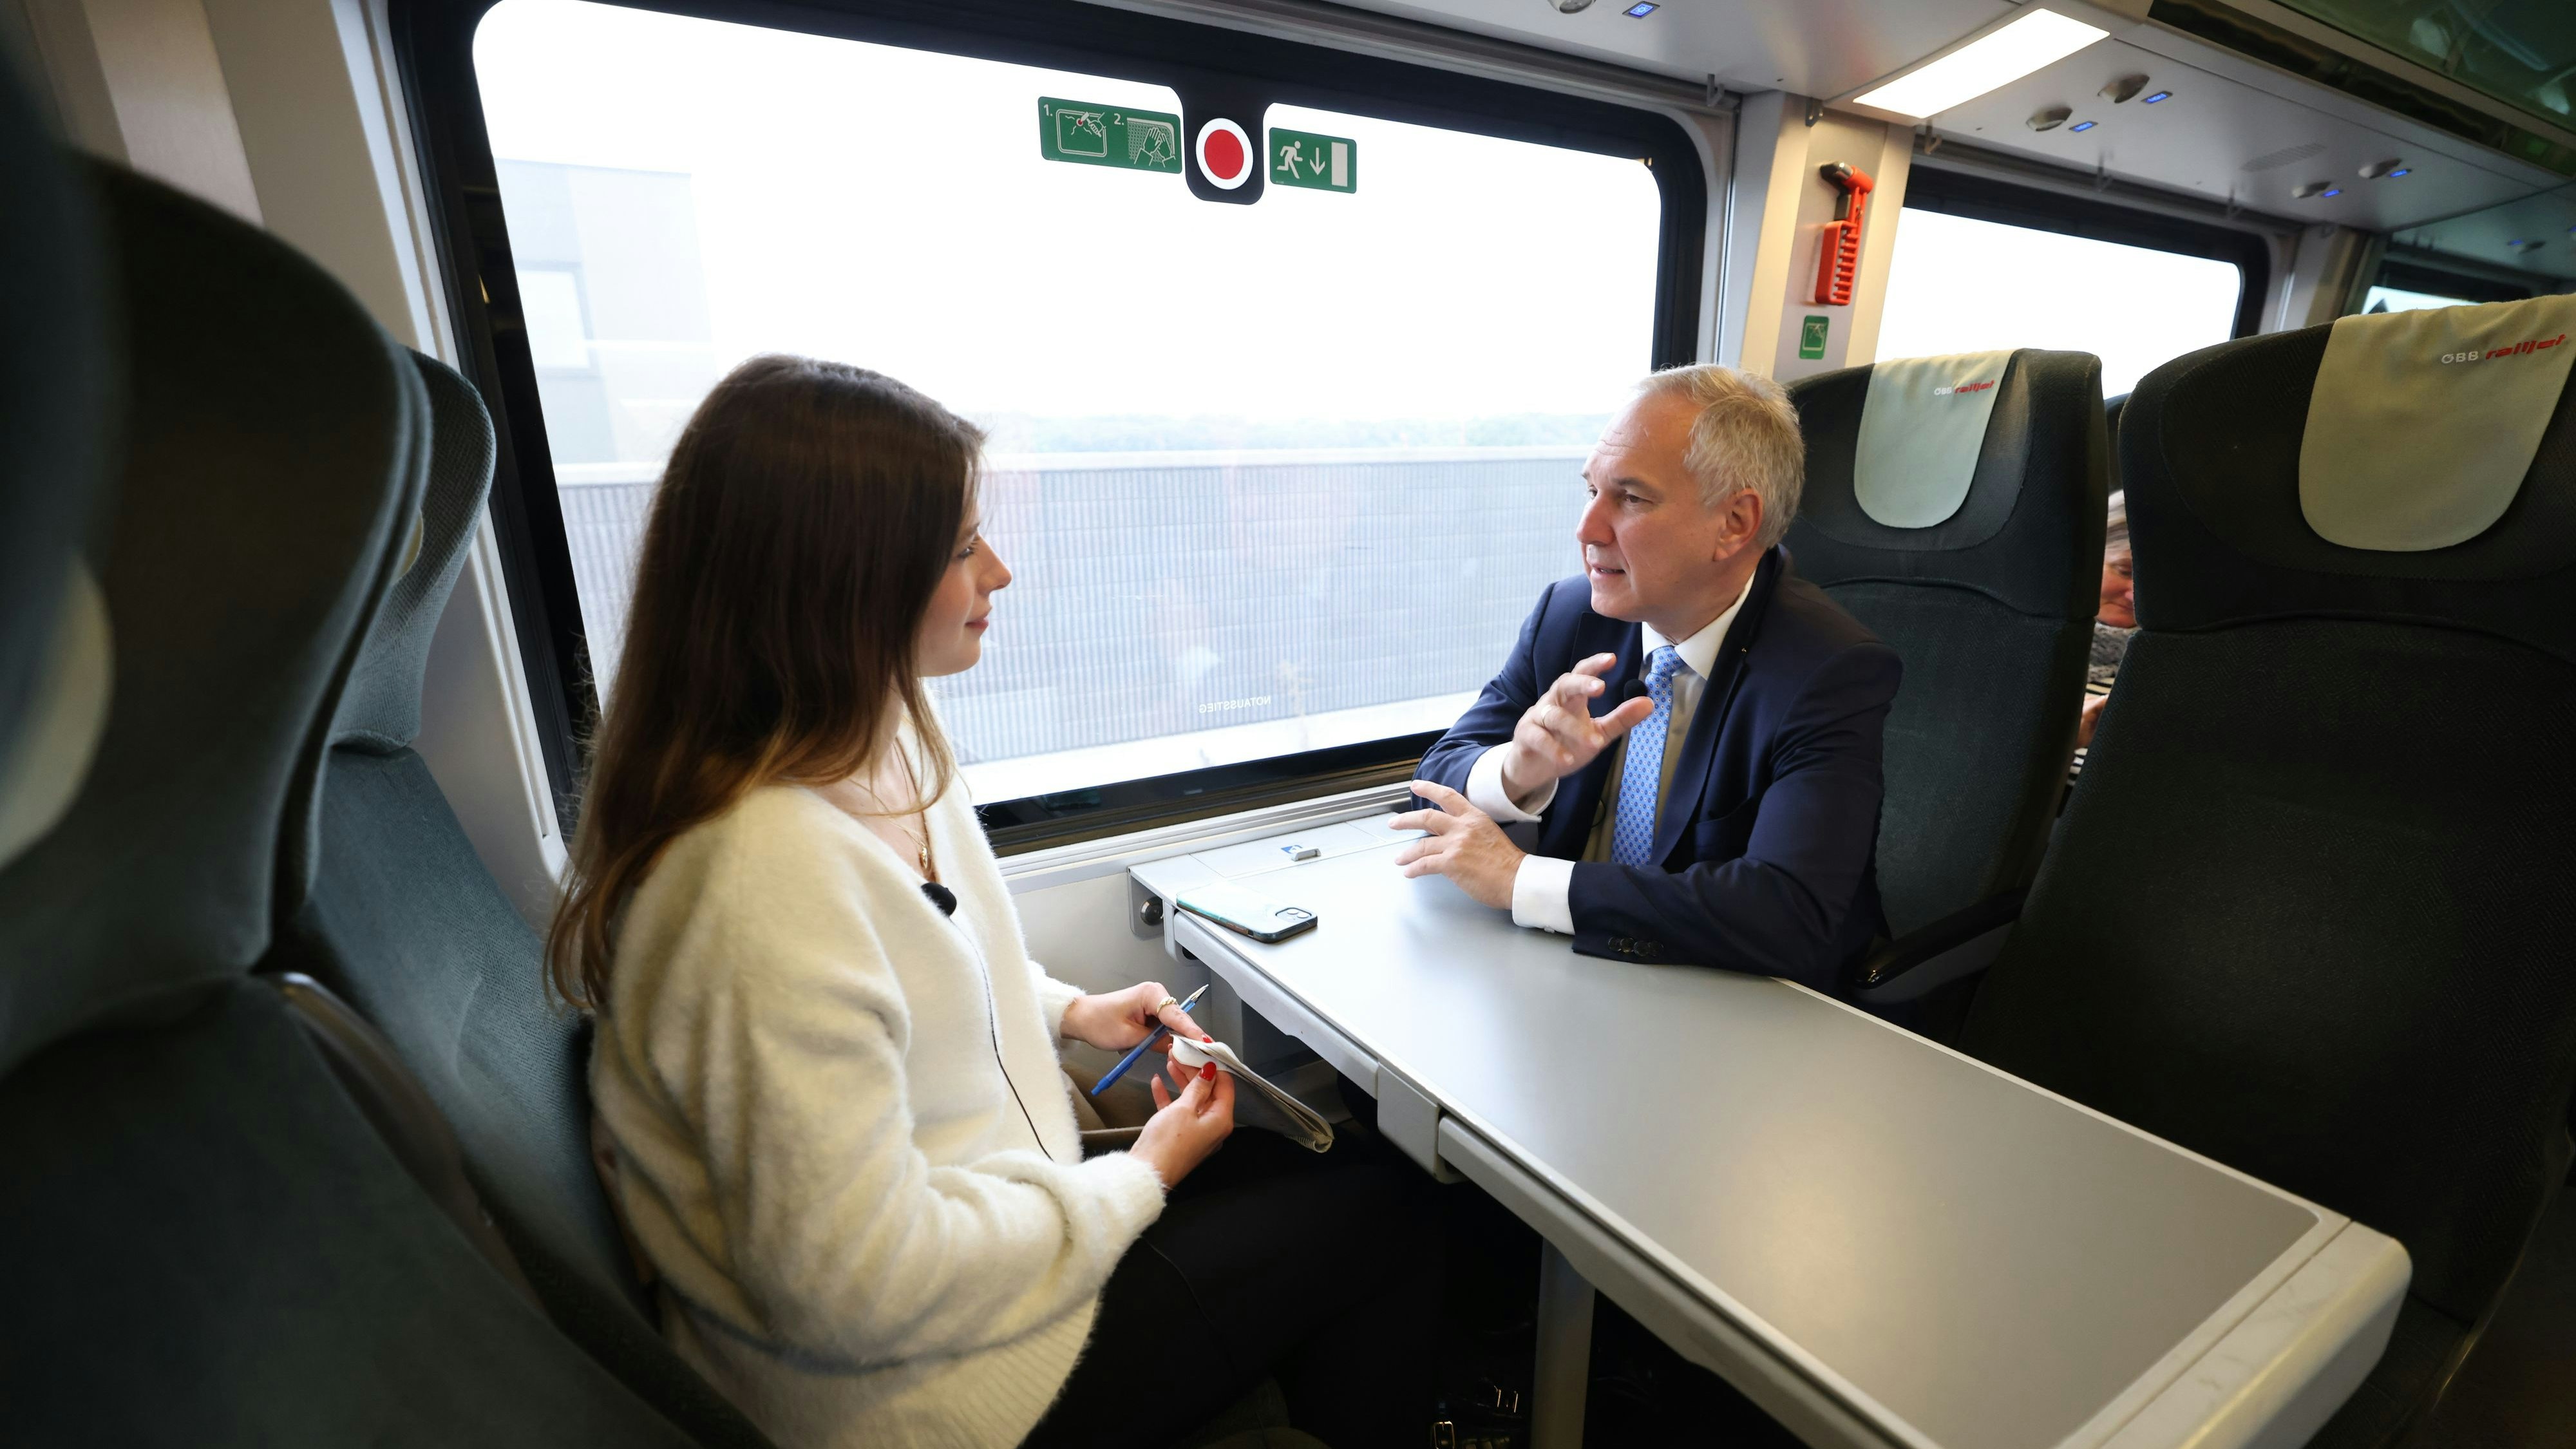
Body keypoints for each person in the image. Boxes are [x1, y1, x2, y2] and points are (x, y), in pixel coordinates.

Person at [550, 356, 1434, 1449]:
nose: (1001, 573)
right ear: (849, 581)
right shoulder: (751, 885)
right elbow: (852, 1286)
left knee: (1320, 1163)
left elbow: (922, 957)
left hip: (997, 1255)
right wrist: (1145, 1176)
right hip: (930, 1392)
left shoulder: (883, 743)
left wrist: (1070, 1010)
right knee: (1392, 1210)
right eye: (966, 548)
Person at [1394, 364, 1900, 996]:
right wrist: (1518, 772)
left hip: (1736, 1004)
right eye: (1590, 491)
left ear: (1734, 524)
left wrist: (1521, 881)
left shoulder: (1828, 669)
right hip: (1576, 975)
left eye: (1630, 498)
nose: (1586, 530)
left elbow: (1786, 910)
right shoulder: (1569, 615)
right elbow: (1429, 792)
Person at [2075, 489, 2135, 757]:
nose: (2136, 593)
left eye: (2158, 581)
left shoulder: (2176, 665)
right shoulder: (2016, 645)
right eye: (2125, 571)